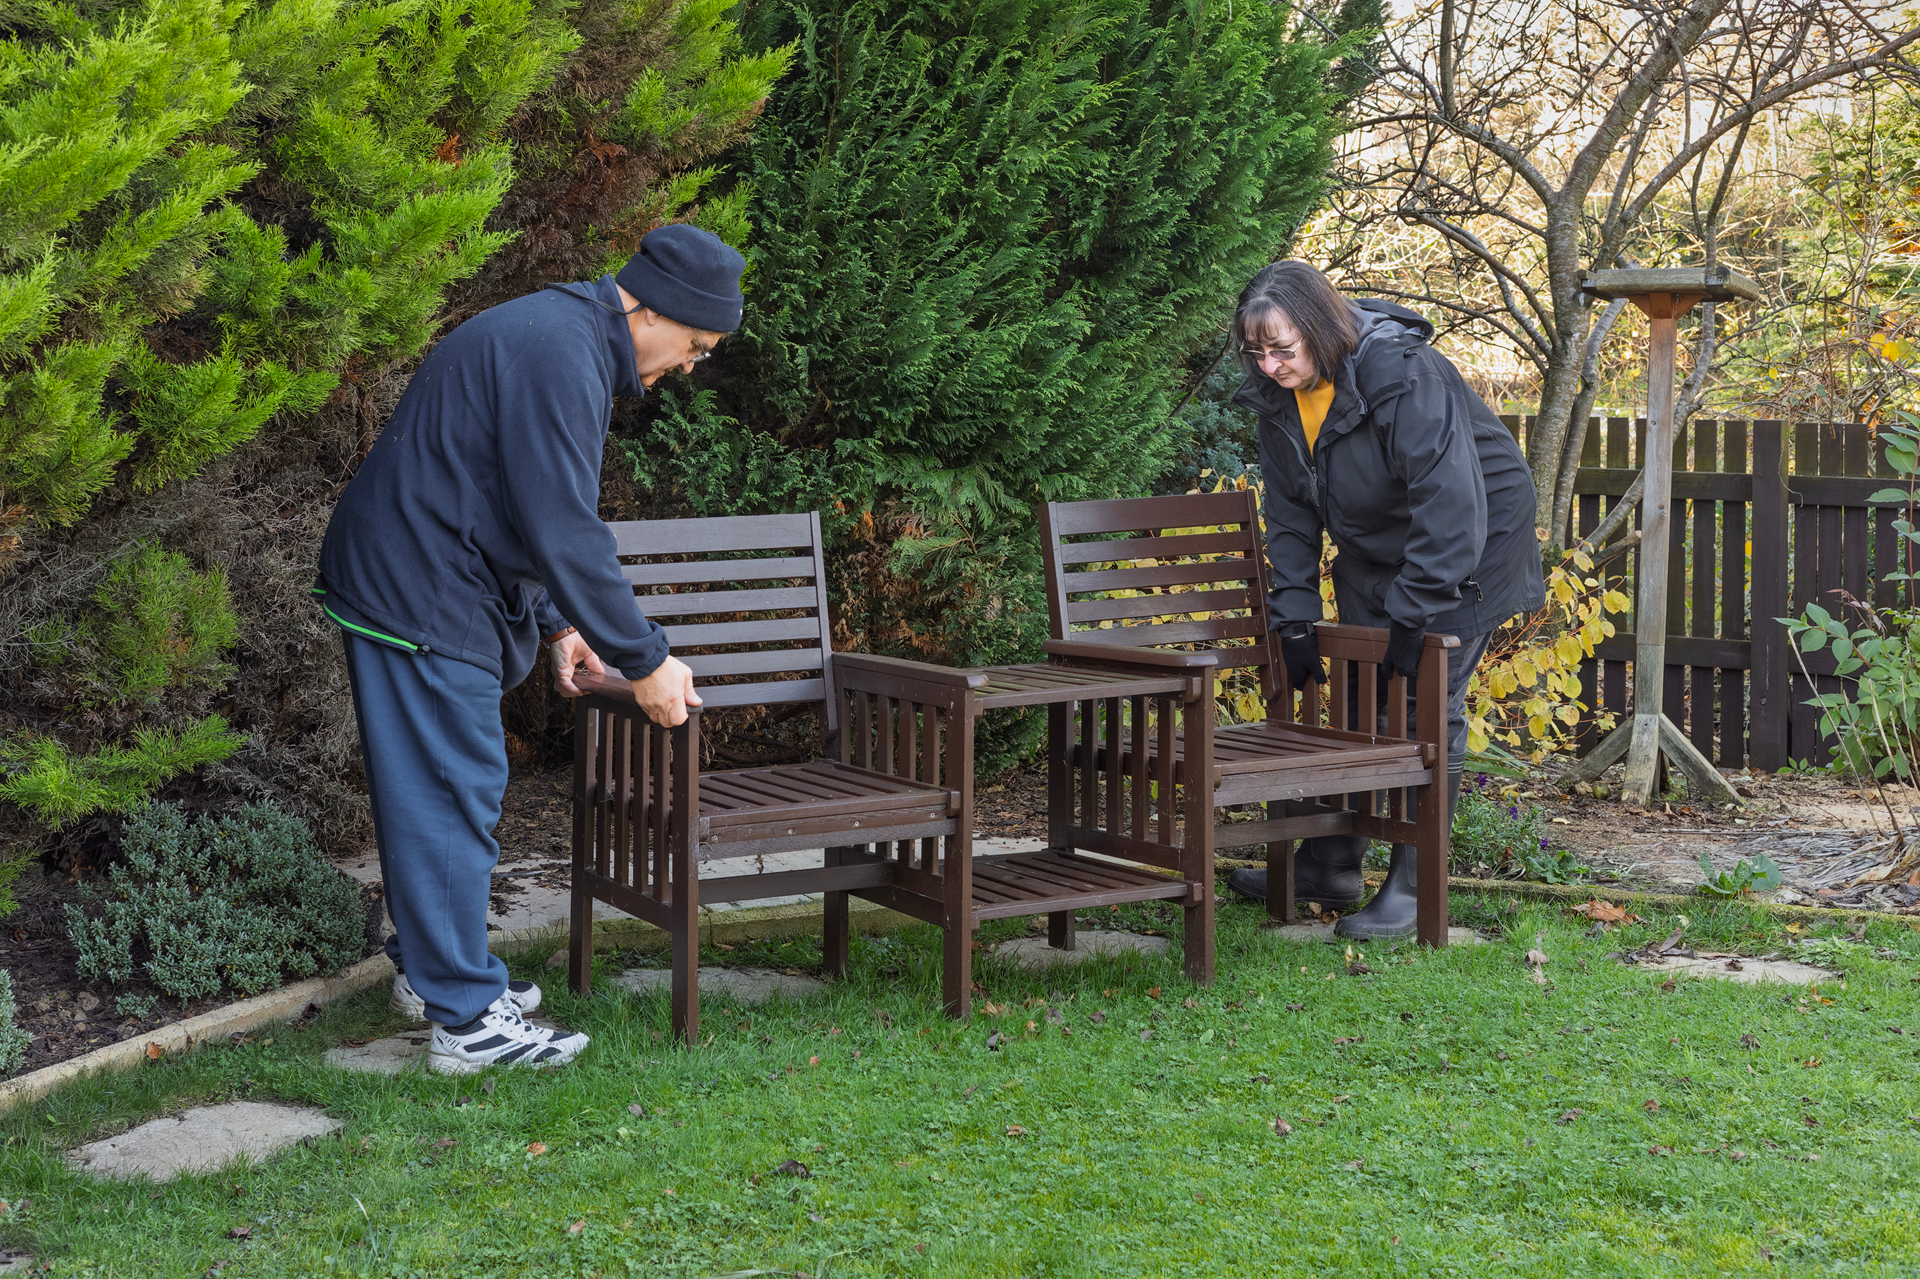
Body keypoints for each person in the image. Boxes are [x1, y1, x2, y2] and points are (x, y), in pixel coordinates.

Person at [315, 224, 741, 1073]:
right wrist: (647, 656)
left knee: (439, 793)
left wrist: (559, 625)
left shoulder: (563, 335)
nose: (693, 366)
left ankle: (431, 972)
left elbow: (511, 497)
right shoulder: (561, 355)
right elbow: (565, 528)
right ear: (652, 308)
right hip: (419, 586)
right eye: (696, 344)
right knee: (452, 793)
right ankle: (467, 1022)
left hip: (419, 572)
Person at [1221, 260, 1544, 939]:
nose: (1271, 365)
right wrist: (1297, 614)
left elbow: (1450, 502)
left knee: (1426, 701)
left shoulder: (1402, 374)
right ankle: (1330, 864)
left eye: (1283, 348)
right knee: (1362, 696)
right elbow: (1289, 516)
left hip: (1475, 538)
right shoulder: (1282, 398)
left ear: (1317, 327)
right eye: (1258, 352)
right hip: (1381, 544)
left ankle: (1415, 884)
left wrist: (1414, 609)